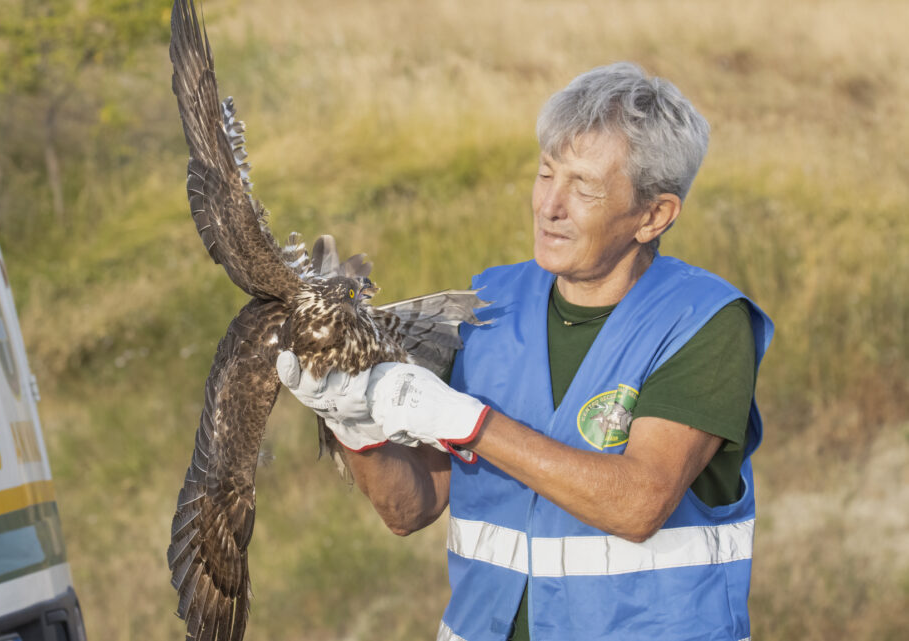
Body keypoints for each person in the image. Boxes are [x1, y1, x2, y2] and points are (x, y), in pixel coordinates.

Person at [277, 61, 773, 641]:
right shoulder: (491, 304)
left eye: (583, 186)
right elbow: (409, 510)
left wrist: (469, 422)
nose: (549, 205)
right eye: (545, 173)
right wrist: (351, 421)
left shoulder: (703, 322)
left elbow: (639, 505)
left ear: (654, 215)